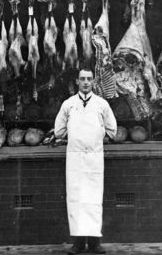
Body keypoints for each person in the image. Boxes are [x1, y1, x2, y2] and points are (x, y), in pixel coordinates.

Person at [54, 68, 117, 254]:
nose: (86, 82)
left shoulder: (102, 104)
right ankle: (78, 244)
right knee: (76, 200)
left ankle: (95, 243)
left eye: (89, 79)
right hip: (74, 159)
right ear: (77, 81)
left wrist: (96, 135)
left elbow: (112, 130)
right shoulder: (68, 104)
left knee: (94, 200)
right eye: (82, 79)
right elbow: (58, 130)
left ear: (93, 81)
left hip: (95, 159)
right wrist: (74, 135)